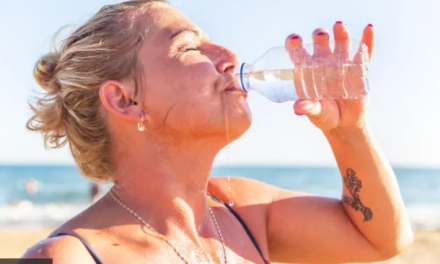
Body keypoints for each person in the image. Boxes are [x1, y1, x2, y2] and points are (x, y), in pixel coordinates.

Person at [23, 1, 413, 263]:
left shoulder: (239, 210)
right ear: (126, 101)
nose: (229, 58)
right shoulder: (69, 256)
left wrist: (349, 130)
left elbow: (381, 239)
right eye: (190, 47)